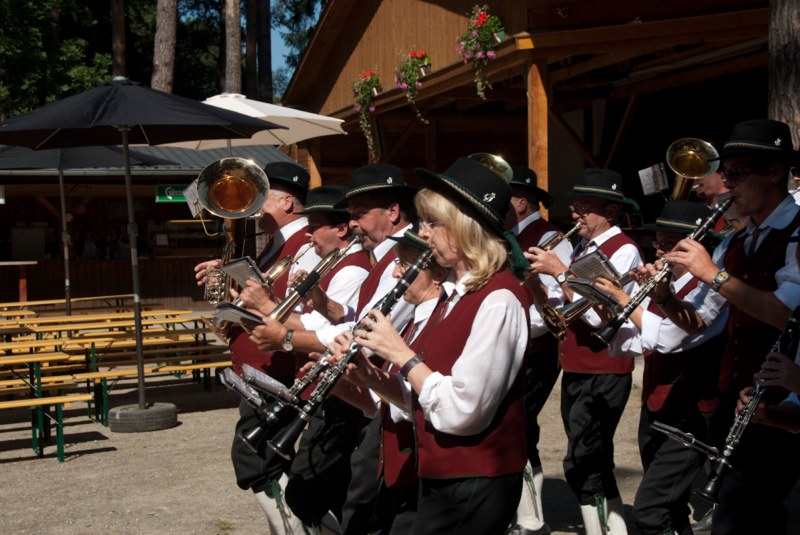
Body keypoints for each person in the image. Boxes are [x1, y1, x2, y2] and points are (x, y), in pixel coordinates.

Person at [330, 156, 532, 534]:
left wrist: (400, 354)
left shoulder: (499, 298)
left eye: (432, 223)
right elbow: (422, 399)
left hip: (475, 480)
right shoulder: (453, 295)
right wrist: (370, 379)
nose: (423, 233)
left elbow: (464, 411)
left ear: (465, 227)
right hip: (444, 475)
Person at [247, 163, 417, 534]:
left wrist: (286, 336)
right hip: (372, 393)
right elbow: (353, 321)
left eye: (360, 215)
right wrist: (323, 309)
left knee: (366, 505)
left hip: (389, 395)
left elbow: (367, 331)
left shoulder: (401, 258)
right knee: (358, 500)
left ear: (392, 212)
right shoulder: (382, 258)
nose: (353, 224)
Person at [658, 119, 800, 535]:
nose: (726, 183)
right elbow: (701, 320)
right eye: (725, 173)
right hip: (735, 402)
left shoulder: (797, 233)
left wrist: (712, 274)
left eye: (737, 173)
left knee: (741, 519)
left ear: (775, 172)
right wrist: (665, 297)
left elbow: (788, 316)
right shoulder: (735, 241)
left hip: (783, 404)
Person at [194, 160, 320, 535]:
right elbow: (260, 297)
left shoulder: (306, 245)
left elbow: (293, 311)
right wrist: (227, 285)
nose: (254, 208)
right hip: (257, 367)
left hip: (277, 368)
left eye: (262, 199)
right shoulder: (274, 245)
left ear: (287, 203)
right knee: (263, 458)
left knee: (255, 459)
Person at [237, 184, 372, 533]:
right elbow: (315, 319)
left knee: (319, 489)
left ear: (340, 229)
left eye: (315, 226)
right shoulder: (327, 262)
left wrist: (271, 311)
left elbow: (334, 331)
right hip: (321, 384)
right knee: (328, 489)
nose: (308, 233)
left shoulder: (352, 269)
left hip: (340, 390)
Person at [596, 200, 726, 535]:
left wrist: (625, 299)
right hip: (657, 405)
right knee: (672, 510)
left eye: (669, 244)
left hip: (692, 412)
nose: (659, 251)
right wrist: (609, 306)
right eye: (658, 242)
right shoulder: (664, 285)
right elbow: (640, 342)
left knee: (650, 512)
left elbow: (669, 338)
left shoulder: (707, 291)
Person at [526, 168, 643, 535]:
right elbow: (564, 307)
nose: (575, 214)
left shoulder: (624, 249)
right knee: (586, 460)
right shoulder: (583, 247)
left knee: (586, 460)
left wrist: (561, 272)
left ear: (610, 212)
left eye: (584, 208)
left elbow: (599, 315)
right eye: (575, 206)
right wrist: (535, 283)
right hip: (578, 365)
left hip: (604, 367)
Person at [327, 227, 448, 534]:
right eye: (396, 263)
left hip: (422, 467)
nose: (395, 274)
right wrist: (349, 384)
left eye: (405, 265)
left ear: (437, 275)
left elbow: (426, 400)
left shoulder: (440, 321)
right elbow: (385, 404)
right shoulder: (413, 322)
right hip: (394, 461)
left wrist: (381, 369)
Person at [507, 165, 573, 535]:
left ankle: (531, 520)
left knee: (518, 426)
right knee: (516, 427)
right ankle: (524, 515)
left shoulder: (549, 237)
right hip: (513, 345)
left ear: (521, 202)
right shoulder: (505, 234)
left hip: (537, 347)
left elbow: (556, 305)